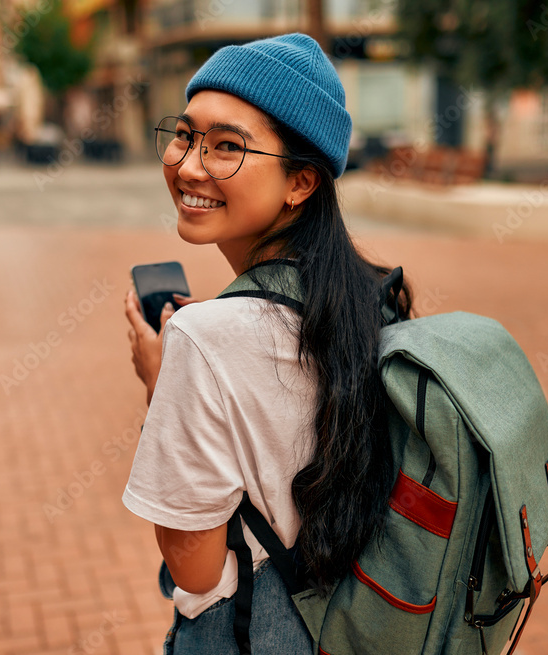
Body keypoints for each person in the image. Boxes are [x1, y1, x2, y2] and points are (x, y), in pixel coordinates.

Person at [121, 33, 414, 654]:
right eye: (185, 133)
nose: (189, 165)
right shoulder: (370, 296)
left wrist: (162, 383)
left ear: (301, 182)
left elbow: (196, 575)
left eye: (227, 146)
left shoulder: (204, 340)